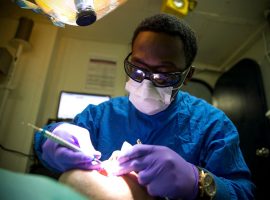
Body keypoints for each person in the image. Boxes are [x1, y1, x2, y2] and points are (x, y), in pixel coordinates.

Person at [34, 13, 255, 199]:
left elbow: (244, 193)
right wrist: (49, 140)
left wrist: (197, 181)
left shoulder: (212, 125)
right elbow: (47, 141)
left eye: (163, 75)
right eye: (138, 70)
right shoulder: (101, 115)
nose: (146, 84)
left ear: (188, 76)